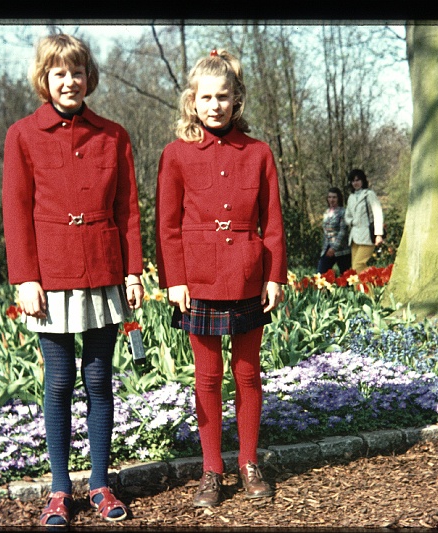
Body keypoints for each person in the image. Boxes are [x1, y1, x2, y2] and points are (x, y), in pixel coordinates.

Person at [2, 33, 143, 527]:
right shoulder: (22, 134)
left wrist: (133, 270)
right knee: (60, 381)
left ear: (89, 78)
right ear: (45, 79)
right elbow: (16, 212)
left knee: (100, 379)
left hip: (104, 270)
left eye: (77, 72)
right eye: (59, 73)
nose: (70, 81)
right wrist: (25, 278)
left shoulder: (113, 135)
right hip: (50, 276)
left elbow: (128, 209)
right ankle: (61, 490)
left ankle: (101, 484)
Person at [155, 49, 288, 508]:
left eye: (224, 97)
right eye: (206, 97)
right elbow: (167, 225)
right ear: (192, 101)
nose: (215, 105)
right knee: (207, 377)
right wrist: (174, 279)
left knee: (248, 375)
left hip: (250, 276)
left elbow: (273, 222)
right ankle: (212, 469)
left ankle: (248, 462)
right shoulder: (175, 155)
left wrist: (275, 276)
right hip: (199, 280)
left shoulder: (258, 153)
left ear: (237, 100)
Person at [344, 168, 384, 273]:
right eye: (353, 181)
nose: (355, 183)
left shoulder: (369, 194)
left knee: (358, 266)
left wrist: (379, 234)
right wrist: (352, 221)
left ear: (363, 181)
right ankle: (359, 289)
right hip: (354, 237)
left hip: (367, 235)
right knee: (355, 270)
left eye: (358, 180)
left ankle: (371, 287)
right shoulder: (351, 197)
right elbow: (347, 216)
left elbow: (378, 214)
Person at [316, 187, 351, 274]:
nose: (331, 200)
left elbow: (343, 231)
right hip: (327, 247)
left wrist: (334, 248)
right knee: (321, 273)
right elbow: (325, 232)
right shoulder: (326, 212)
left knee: (345, 276)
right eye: (329, 197)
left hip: (342, 249)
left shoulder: (343, 212)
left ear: (339, 198)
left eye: (334, 197)